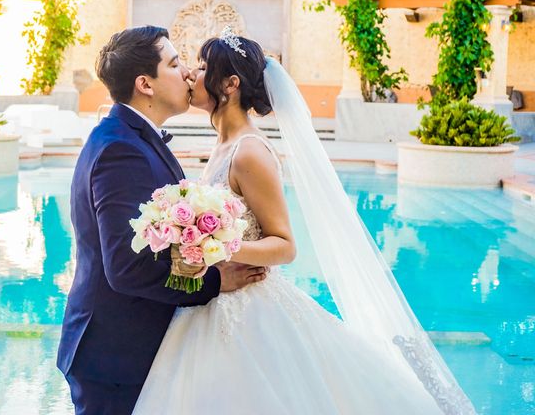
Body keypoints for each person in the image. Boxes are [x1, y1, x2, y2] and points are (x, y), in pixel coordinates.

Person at [132, 29, 477, 415]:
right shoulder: (224, 145)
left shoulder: (250, 152)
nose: (191, 75)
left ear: (230, 84)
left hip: (249, 310)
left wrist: (216, 247)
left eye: (201, 67)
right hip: (212, 300)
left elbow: (284, 244)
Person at [57, 26, 267, 415]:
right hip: (116, 355)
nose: (187, 72)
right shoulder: (122, 150)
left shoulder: (132, 138)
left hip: (130, 349)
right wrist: (217, 280)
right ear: (145, 84)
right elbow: (126, 268)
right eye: (174, 63)